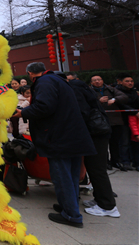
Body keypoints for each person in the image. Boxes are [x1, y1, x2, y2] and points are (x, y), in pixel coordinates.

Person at [14, 62, 95, 228]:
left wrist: (23, 112)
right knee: (71, 174)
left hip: (59, 137)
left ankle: (72, 215)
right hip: (71, 135)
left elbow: (44, 107)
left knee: (61, 175)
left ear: (30, 73)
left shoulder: (44, 83)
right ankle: (67, 205)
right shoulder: (57, 81)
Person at [62, 73, 120, 218]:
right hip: (99, 133)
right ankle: (100, 200)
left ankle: (108, 206)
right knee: (95, 168)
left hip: (96, 134)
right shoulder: (85, 91)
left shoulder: (75, 90)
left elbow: (81, 113)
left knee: (97, 169)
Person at [90, 75, 129, 171]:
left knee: (115, 142)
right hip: (99, 121)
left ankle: (115, 160)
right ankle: (105, 161)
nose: (97, 82)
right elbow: (87, 102)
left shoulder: (111, 89)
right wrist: (99, 101)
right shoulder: (90, 91)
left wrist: (114, 99)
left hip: (114, 120)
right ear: (91, 82)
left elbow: (124, 97)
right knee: (103, 143)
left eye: (99, 80)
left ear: (102, 80)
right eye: (95, 80)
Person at [115, 73, 139, 171]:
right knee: (124, 142)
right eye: (127, 81)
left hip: (135, 119)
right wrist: (134, 111)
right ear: (121, 82)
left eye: (131, 81)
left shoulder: (134, 92)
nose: (130, 83)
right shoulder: (118, 91)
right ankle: (125, 161)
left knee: (135, 142)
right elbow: (121, 104)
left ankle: (135, 161)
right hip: (123, 120)